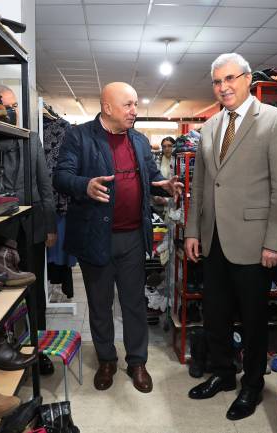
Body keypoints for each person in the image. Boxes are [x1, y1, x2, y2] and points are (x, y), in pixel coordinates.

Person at [53, 82, 182, 393]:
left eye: (135, 104)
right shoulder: (79, 136)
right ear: (107, 107)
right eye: (128, 105)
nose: (134, 110)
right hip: (95, 237)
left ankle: (137, 362)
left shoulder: (139, 140)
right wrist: (84, 185)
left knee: (134, 303)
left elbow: (150, 176)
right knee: (100, 304)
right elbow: (61, 176)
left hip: (133, 237)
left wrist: (163, 185)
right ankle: (107, 360)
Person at [184, 53, 277, 420]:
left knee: (253, 318)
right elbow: (201, 185)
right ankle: (223, 373)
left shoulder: (275, 120)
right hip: (213, 237)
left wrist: (274, 241)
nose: (223, 87)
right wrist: (193, 231)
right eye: (217, 81)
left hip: (254, 239)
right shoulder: (210, 126)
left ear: (247, 79)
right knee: (215, 314)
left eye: (230, 78)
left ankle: (252, 385)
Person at [0, 85, 58, 376]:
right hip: (0, 228)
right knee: (4, 292)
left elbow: (45, 185)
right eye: (5, 106)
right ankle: (5, 347)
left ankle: (37, 349)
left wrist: (50, 226)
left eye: (14, 106)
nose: (12, 112)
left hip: (32, 226)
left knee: (34, 292)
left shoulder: (32, 139)